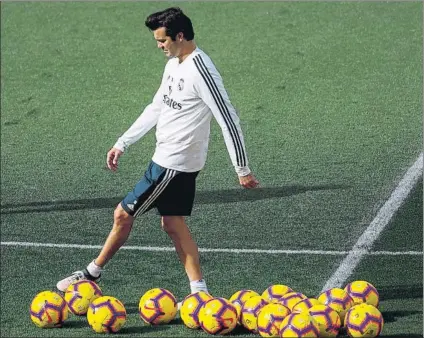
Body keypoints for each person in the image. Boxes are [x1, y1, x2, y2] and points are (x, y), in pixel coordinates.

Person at [56, 7, 259, 297]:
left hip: (173, 163)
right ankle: (199, 292)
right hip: (167, 158)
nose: (159, 46)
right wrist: (123, 142)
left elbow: (228, 118)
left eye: (162, 41)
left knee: (122, 215)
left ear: (179, 36)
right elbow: (157, 107)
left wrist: (242, 169)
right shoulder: (174, 64)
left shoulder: (201, 70)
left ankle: (91, 274)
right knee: (173, 222)